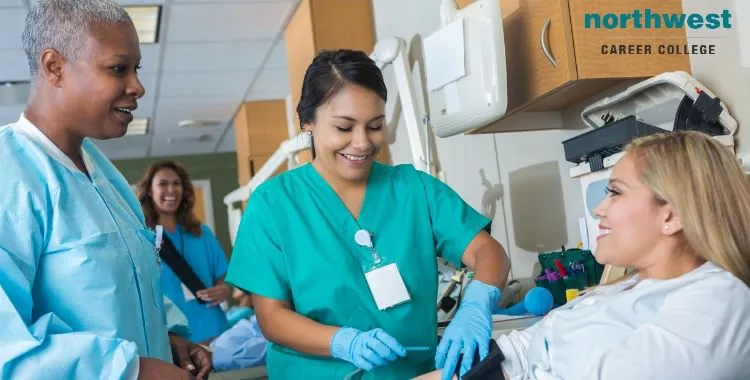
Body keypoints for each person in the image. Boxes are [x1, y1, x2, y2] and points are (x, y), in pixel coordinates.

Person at [225, 49, 511, 379]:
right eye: (344, 128)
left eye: (374, 126)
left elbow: (487, 252)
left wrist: (477, 304)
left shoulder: (414, 189)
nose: (361, 143)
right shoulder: (273, 204)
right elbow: (272, 317)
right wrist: (342, 342)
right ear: (307, 121)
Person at [414, 131, 750, 380]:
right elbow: (519, 350)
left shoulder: (720, 301)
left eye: (615, 193)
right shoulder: (625, 287)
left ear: (672, 215)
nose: (600, 208)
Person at [0, 1, 211, 378]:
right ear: (55, 67)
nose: (137, 86)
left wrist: (167, 337)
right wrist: (133, 370)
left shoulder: (106, 178)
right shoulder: (11, 176)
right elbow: (7, 343)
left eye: (136, 69)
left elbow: (122, 289)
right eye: (118, 69)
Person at [137, 160, 232, 343]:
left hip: (215, 329)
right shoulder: (143, 239)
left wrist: (224, 290)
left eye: (176, 184)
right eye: (163, 184)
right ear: (150, 191)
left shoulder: (202, 234)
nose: (171, 190)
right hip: (174, 337)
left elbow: (222, 278)